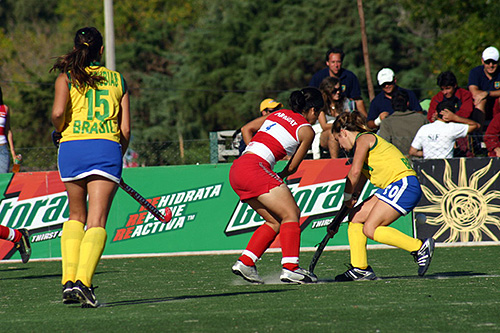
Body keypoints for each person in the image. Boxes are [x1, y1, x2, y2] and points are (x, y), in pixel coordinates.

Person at [50, 27, 131, 308]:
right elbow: (126, 128)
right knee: (96, 221)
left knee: (75, 216)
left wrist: (59, 131)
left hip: (72, 149)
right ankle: (84, 283)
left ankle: (68, 282)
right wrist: (117, 154)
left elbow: (58, 114)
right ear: (101, 50)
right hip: (106, 147)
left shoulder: (67, 77)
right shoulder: (117, 79)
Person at [229, 87, 323, 284]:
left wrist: (254, 157)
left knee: (274, 221)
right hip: (255, 169)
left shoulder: (277, 113)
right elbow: (294, 166)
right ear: (313, 110)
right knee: (291, 214)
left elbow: (247, 129)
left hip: (238, 168)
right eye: (319, 111)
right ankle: (291, 268)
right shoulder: (306, 130)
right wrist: (278, 174)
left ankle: (246, 262)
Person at [331, 111, 435, 281]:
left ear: (343, 133)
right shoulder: (363, 148)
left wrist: (347, 196)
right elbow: (361, 181)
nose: (340, 146)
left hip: (403, 184)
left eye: (338, 140)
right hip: (394, 186)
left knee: (370, 228)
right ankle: (360, 268)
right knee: (355, 216)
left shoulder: (363, 139)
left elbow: (354, 173)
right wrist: (338, 219)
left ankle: (419, 247)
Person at [409, 100, 480, 159]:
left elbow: (413, 151)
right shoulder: (452, 128)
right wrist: (455, 118)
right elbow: (475, 125)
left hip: (428, 164)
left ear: (436, 113)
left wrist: (430, 153)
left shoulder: (424, 128)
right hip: (447, 165)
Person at [309, 47, 367, 116]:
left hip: (344, 112)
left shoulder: (350, 77)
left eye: (338, 62)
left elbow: (357, 100)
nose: (336, 65)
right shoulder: (318, 77)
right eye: (333, 62)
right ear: (327, 63)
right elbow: (311, 98)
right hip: (323, 112)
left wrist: (365, 119)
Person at [378, 89, 427, 155]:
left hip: (398, 161)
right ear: (407, 103)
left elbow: (384, 146)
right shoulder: (422, 119)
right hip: (420, 160)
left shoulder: (386, 123)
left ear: (392, 104)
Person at [316, 76, 356, 158]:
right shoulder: (322, 105)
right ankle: (335, 162)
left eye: (339, 89)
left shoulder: (345, 102)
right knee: (333, 134)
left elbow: (350, 118)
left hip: (344, 131)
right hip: (326, 134)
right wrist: (339, 124)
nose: (338, 92)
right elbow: (324, 126)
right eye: (334, 90)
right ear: (327, 91)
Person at [468, 46, 500, 128]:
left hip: (497, 107)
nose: (491, 65)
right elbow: (474, 92)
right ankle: (478, 133)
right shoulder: (475, 72)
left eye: (494, 62)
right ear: (482, 61)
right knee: (481, 100)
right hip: (482, 107)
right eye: (487, 62)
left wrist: (487, 93)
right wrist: (486, 95)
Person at [0, 86, 21, 173]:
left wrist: (13, 153)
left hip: (2, 147)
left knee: (3, 179)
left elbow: (8, 131)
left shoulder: (4, 108)